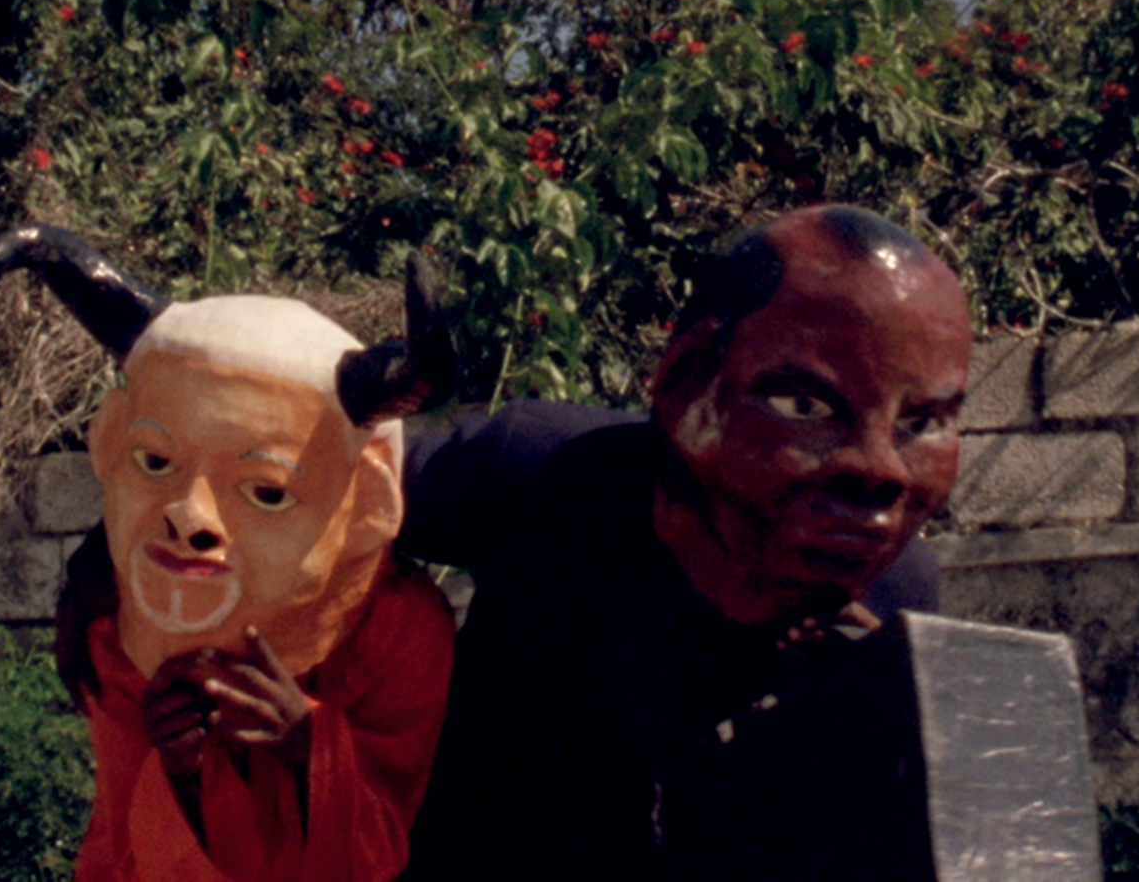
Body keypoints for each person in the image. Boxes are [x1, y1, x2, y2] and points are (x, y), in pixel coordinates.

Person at [393, 204, 972, 880]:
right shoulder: (546, 472)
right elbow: (327, 504)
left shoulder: (896, 594)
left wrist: (861, 724)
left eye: (922, 423)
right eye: (805, 405)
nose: (880, 471)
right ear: (685, 382)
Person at [0, 225, 458, 882]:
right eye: (155, 462)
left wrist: (307, 744)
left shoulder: (400, 635)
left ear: (368, 507)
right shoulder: (114, 616)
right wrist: (177, 766)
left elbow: (373, 856)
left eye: (267, 491)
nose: (189, 520)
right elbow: (126, 845)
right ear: (111, 443)